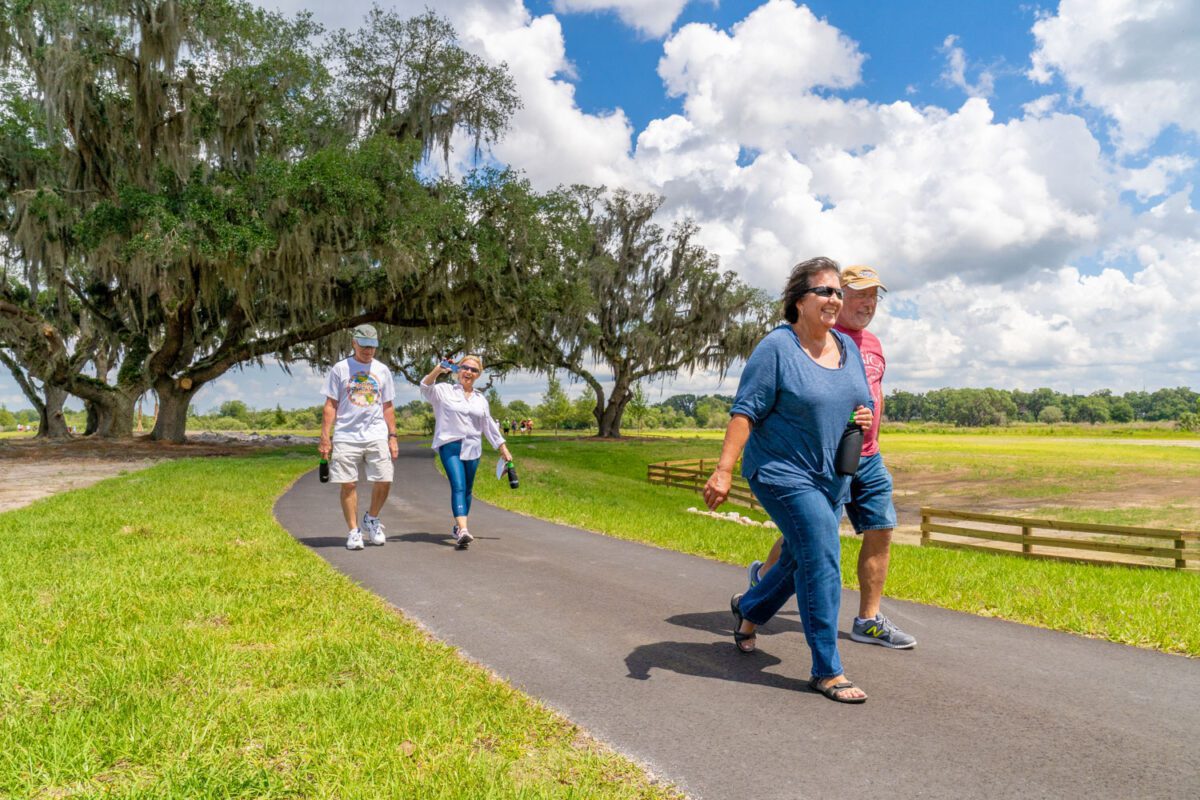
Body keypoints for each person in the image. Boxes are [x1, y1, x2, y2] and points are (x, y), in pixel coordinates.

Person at [703, 256, 873, 704]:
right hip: (781, 471)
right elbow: (746, 410)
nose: (835, 299)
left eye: (838, 292)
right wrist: (723, 470)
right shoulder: (777, 348)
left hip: (831, 476)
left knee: (800, 556)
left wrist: (862, 415)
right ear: (799, 300)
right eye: (825, 291)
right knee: (822, 552)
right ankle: (827, 670)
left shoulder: (846, 346)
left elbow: (861, 401)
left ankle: (750, 607)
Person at [742, 265, 916, 650]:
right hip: (822, 458)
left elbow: (873, 397)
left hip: (866, 455)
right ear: (837, 295)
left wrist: (872, 436)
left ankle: (867, 620)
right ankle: (764, 584)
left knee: (881, 527)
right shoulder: (818, 337)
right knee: (810, 537)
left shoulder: (872, 344)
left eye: (874, 296)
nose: (868, 303)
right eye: (859, 294)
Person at [319, 324, 399, 551]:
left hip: (376, 433)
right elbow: (330, 405)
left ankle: (371, 518)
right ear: (354, 343)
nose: (368, 351)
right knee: (348, 483)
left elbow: (388, 406)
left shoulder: (382, 370)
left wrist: (393, 436)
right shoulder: (340, 369)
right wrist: (325, 437)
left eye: (372, 346)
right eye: (364, 346)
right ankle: (354, 531)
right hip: (346, 434)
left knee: (384, 479)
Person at [421, 355, 514, 549]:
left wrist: (503, 448)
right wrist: (438, 370)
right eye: (465, 368)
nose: (468, 372)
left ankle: (458, 526)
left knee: (468, 489)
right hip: (450, 445)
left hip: (473, 447)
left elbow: (488, 425)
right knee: (459, 486)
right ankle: (463, 530)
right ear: (458, 370)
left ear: (478, 375)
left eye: (474, 370)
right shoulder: (444, 390)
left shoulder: (481, 399)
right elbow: (425, 387)